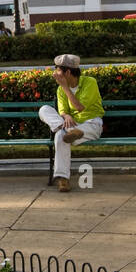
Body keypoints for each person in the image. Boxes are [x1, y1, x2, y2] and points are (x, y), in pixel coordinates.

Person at [39, 54, 104, 192]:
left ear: (67, 72)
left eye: (57, 70)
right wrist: (66, 116)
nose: (55, 74)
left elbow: (79, 107)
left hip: (90, 122)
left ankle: (63, 179)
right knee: (44, 109)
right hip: (71, 125)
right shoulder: (60, 89)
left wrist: (65, 87)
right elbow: (62, 110)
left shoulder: (89, 82)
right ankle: (64, 129)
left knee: (61, 137)